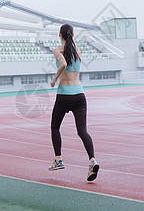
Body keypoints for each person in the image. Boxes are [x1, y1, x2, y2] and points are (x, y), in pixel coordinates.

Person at [48, 24, 99, 182]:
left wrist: (54, 79)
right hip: (79, 95)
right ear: (73, 35)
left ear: (59, 34)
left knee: (55, 127)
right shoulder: (77, 52)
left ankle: (58, 159)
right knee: (82, 131)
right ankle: (92, 160)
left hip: (64, 95)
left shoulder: (58, 49)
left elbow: (63, 64)